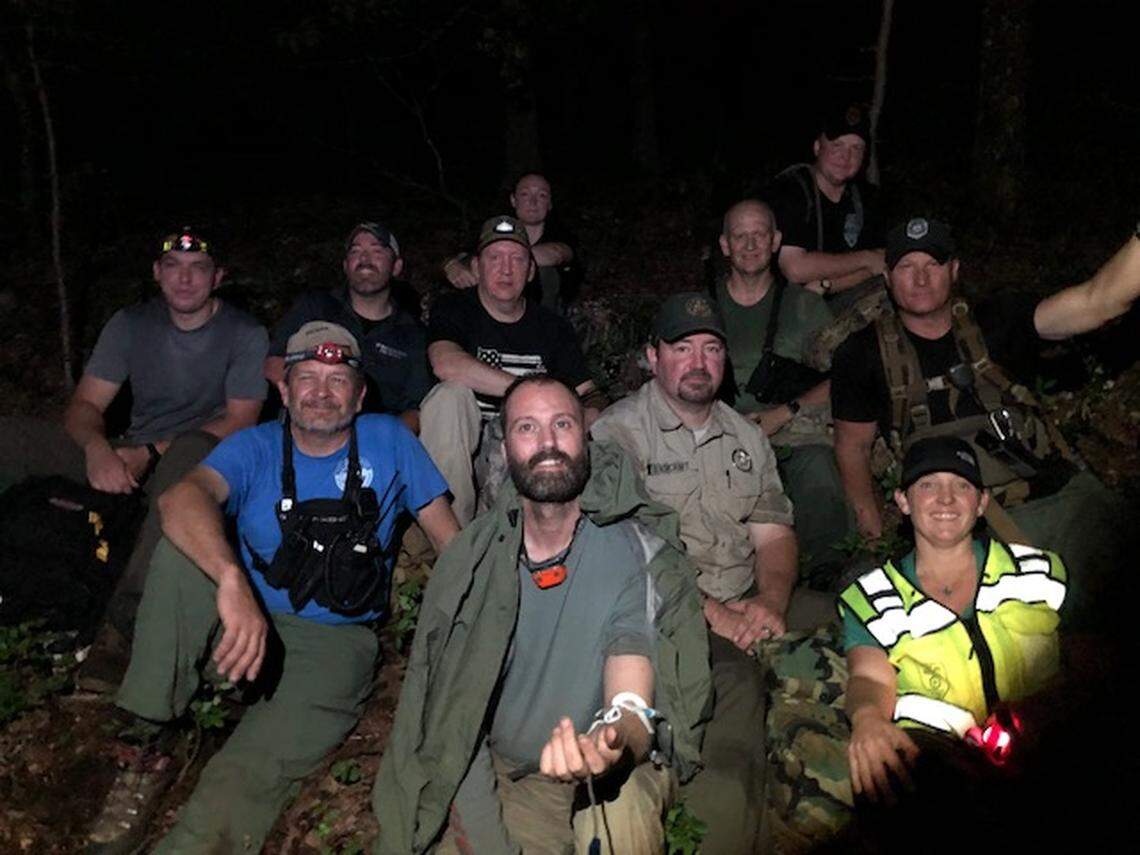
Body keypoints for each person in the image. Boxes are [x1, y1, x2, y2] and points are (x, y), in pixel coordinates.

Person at [86, 321, 458, 854]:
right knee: (184, 549)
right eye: (307, 378)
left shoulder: (390, 440)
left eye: (337, 380)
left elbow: (452, 542)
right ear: (283, 390)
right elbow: (180, 500)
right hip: (239, 632)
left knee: (238, 785)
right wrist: (233, 581)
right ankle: (147, 735)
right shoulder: (255, 446)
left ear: (359, 395)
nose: (321, 393)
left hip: (330, 647)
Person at [373, 375, 710, 854]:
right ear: (505, 446)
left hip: (604, 776)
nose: (548, 442)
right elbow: (451, 715)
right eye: (527, 427)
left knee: (618, 821)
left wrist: (609, 742)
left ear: (585, 438)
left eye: (563, 424)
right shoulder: (476, 560)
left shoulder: (628, 549)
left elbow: (630, 693)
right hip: (501, 776)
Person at [591, 292, 830, 854]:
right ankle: (720, 828)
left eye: (712, 348)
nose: (699, 361)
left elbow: (772, 532)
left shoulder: (746, 435)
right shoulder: (618, 435)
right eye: (682, 347)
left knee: (848, 622)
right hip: (668, 610)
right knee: (734, 693)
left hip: (744, 596)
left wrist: (770, 602)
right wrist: (717, 616)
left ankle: (822, 788)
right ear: (653, 357)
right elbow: (629, 550)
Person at [831, 217, 1140, 620]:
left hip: (1052, 496)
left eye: (934, 264)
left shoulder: (998, 319)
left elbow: (1098, 301)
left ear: (955, 270)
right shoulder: (861, 353)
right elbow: (852, 448)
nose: (920, 279)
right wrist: (874, 540)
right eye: (907, 267)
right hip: (956, 525)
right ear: (888, 277)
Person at [0, 227, 268, 686]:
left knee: (191, 451)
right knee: (12, 437)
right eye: (173, 268)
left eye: (198, 269)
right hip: (130, 445)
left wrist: (151, 453)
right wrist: (97, 448)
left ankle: (121, 630)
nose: (185, 280)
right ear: (157, 274)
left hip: (197, 456)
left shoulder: (245, 333)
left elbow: (241, 420)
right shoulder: (130, 324)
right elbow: (84, 407)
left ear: (218, 277)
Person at [838, 436, 1066, 843]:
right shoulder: (873, 598)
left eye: (961, 485)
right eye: (927, 485)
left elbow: (1095, 651)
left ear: (981, 502)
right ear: (903, 501)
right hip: (942, 759)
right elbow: (870, 679)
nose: (945, 499)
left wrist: (1042, 710)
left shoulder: (1039, 571)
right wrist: (868, 719)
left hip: (1045, 740)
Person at [420, 214, 605, 525]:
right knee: (448, 397)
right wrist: (529, 392)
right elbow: (445, 363)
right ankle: (455, 542)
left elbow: (591, 393)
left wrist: (585, 415)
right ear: (476, 267)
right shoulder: (454, 309)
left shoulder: (552, 326)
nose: (506, 269)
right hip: (465, 448)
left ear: (531, 271)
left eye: (517, 259)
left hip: (524, 449)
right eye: (495, 258)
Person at [712, 199, 851, 575]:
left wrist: (784, 412)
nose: (751, 244)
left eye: (760, 234)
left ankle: (828, 573)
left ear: (775, 241)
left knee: (818, 470)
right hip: (720, 434)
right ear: (725, 244)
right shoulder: (703, 308)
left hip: (791, 430)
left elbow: (845, 378)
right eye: (740, 236)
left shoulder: (804, 306)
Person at [265, 222, 431, 434]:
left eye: (377, 251)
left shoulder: (413, 334)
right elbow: (274, 364)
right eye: (356, 251)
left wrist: (381, 443)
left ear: (396, 267)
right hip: (307, 429)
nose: (365, 259)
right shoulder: (314, 306)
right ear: (345, 265)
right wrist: (319, 403)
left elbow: (415, 410)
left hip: (375, 443)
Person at [764, 104, 885, 302]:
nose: (845, 156)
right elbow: (795, 268)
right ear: (817, 147)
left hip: (852, 307)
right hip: (790, 312)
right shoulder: (790, 190)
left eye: (856, 148)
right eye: (837, 145)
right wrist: (865, 259)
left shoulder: (868, 198)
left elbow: (881, 264)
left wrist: (827, 285)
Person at [442, 173, 582, 313]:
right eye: (525, 194)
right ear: (513, 200)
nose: (533, 202)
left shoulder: (561, 233)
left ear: (550, 203)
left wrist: (493, 260)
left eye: (542, 195)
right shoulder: (496, 229)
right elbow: (459, 257)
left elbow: (558, 253)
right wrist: (451, 266)